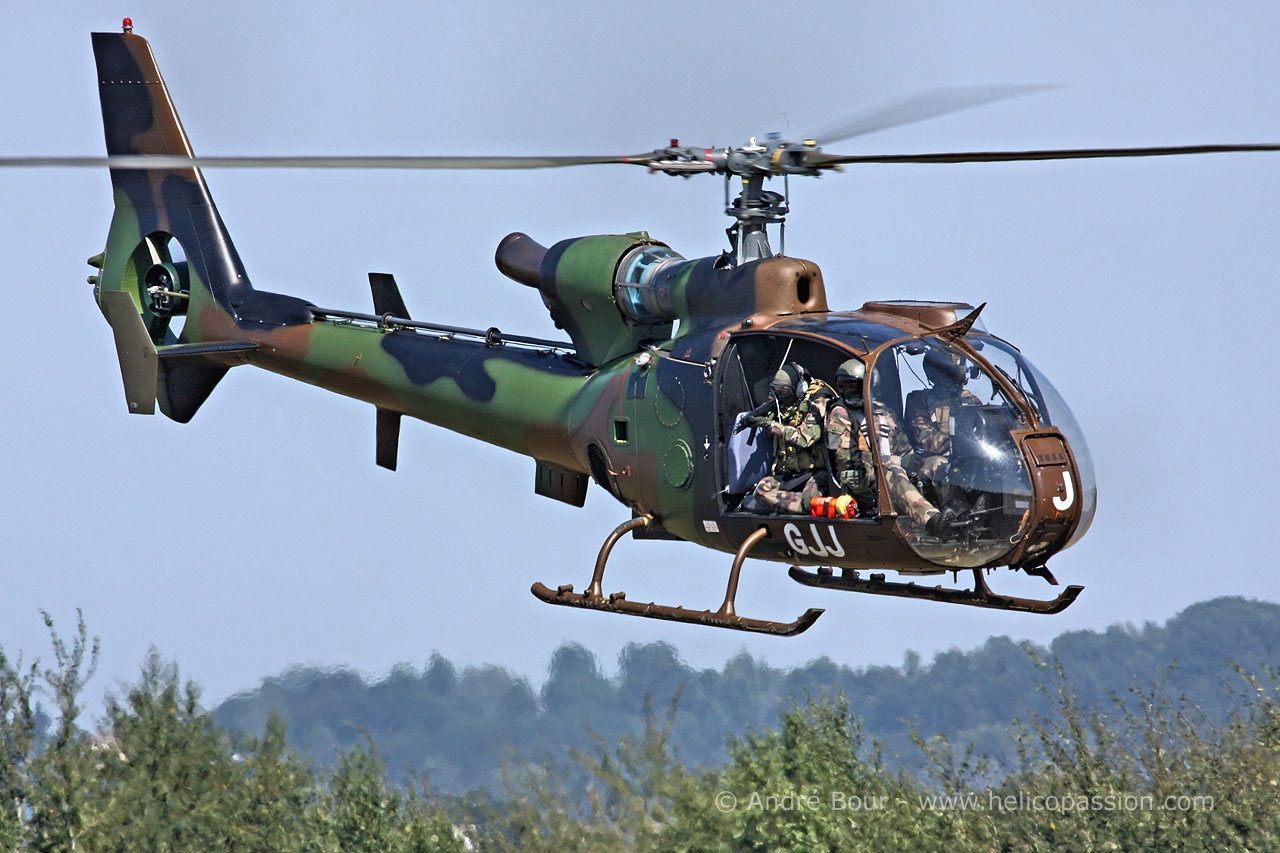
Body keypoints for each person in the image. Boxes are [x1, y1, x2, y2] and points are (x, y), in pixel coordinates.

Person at [814, 358, 944, 533]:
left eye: (852, 386)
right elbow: (846, 457)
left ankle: (955, 513)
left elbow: (904, 448)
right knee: (890, 470)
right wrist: (895, 461)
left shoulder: (884, 412)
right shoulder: (839, 413)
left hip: (889, 469)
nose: (846, 391)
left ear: (867, 385)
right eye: (843, 386)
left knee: (937, 463)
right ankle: (932, 520)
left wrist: (915, 459)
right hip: (858, 476)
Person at [742, 364, 834, 515]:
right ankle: (799, 506)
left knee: (809, 500)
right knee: (760, 492)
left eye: (784, 391)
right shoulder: (783, 406)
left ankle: (804, 505)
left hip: (815, 472)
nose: (780, 396)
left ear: (800, 388)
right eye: (777, 390)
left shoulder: (818, 400)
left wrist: (772, 425)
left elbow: (806, 438)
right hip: (789, 473)